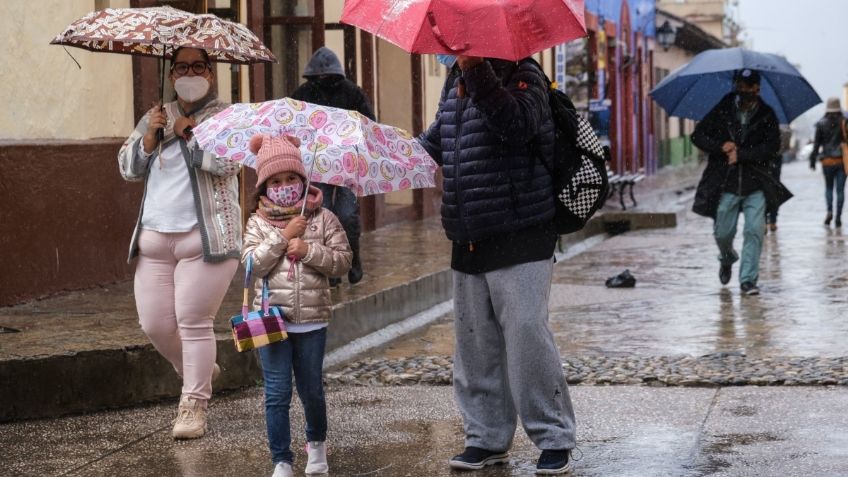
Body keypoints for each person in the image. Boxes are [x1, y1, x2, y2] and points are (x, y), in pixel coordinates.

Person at [418, 55, 576, 475]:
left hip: (522, 229)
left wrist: (477, 71)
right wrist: (384, 150)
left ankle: (553, 435)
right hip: (468, 233)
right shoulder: (455, 79)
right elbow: (440, 140)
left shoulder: (526, 73)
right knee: (475, 345)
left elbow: (516, 125)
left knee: (526, 335)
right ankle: (486, 438)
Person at [117, 47, 241, 439]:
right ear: (171, 75)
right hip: (154, 238)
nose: (191, 73)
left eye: (199, 66)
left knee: (193, 322)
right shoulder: (156, 115)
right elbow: (126, 168)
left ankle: (193, 406)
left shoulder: (226, 117)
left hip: (206, 239)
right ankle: (199, 371)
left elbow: (229, 164)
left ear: (212, 73)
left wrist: (190, 134)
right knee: (153, 323)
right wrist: (151, 137)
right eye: (182, 67)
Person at [242, 134, 352, 477]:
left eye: (291, 178)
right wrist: (282, 237)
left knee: (311, 390)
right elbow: (250, 266)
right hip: (272, 320)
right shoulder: (257, 222)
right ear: (264, 187)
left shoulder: (324, 219)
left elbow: (343, 262)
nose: (285, 186)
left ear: (303, 181)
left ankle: (316, 445)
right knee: (276, 392)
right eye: (276, 181)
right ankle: (282, 460)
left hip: (311, 322)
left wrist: (309, 251)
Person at [692, 69, 781, 296]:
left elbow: (772, 148)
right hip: (726, 183)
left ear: (757, 89)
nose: (743, 90)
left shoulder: (767, 115)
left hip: (756, 184)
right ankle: (727, 257)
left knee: (754, 231)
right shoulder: (723, 109)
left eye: (748, 86)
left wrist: (743, 154)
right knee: (723, 233)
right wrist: (721, 146)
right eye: (739, 85)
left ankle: (748, 280)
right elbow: (698, 135)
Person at [290, 47, 374, 286]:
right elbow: (292, 126)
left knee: (347, 215)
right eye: (320, 78)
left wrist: (353, 140)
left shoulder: (352, 93)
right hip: (316, 163)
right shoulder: (303, 95)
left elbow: (369, 124)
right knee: (323, 213)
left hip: (348, 162)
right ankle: (331, 267)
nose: (323, 81)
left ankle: (353, 258)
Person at [809, 97, 846, 228]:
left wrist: (812, 160)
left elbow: (816, 145)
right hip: (841, 161)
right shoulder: (844, 122)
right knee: (840, 191)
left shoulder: (821, 123)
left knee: (829, 188)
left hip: (827, 161)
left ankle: (829, 211)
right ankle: (838, 218)